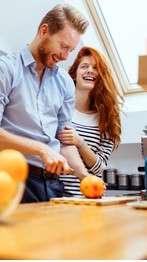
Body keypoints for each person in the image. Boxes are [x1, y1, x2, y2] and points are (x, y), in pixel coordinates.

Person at [0, 4, 90, 203]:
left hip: (53, 185)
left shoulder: (64, 82)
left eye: (70, 50)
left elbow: (64, 141)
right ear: (43, 31)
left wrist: (86, 178)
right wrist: (42, 149)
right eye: (63, 46)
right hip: (11, 182)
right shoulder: (5, 69)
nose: (65, 56)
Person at [57, 46, 123, 196]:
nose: (90, 71)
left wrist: (80, 142)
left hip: (90, 196)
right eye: (84, 66)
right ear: (74, 75)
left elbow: (99, 168)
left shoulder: (106, 119)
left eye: (95, 68)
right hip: (58, 194)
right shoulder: (59, 108)